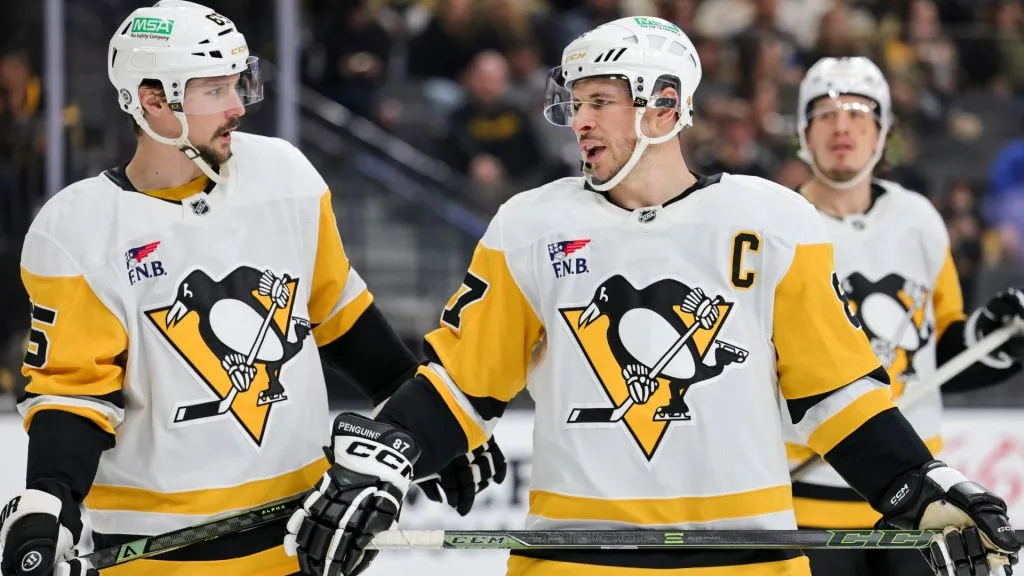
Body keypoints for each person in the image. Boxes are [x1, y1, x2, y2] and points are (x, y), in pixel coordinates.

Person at [284, 16, 1018, 576]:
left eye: (601, 100)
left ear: (665, 108)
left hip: (745, 560)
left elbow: (838, 396)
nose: (581, 121)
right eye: (576, 102)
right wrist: (388, 456)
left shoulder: (772, 219)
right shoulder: (531, 225)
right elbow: (461, 385)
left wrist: (924, 487)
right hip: (573, 560)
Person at [0, 2, 503, 575]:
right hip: (163, 557)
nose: (238, 105)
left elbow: (340, 315)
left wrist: (422, 419)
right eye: (214, 90)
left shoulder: (283, 174)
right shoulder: (79, 229)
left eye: (237, 84)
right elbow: (74, 397)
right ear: (153, 99)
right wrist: (50, 500)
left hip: (308, 539)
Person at [782, 56, 1024, 576]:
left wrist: (995, 339)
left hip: (920, 502)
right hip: (808, 502)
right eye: (824, 113)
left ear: (883, 132)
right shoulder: (777, 225)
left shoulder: (919, 219)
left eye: (858, 112)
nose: (842, 125)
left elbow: (946, 351)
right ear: (803, 133)